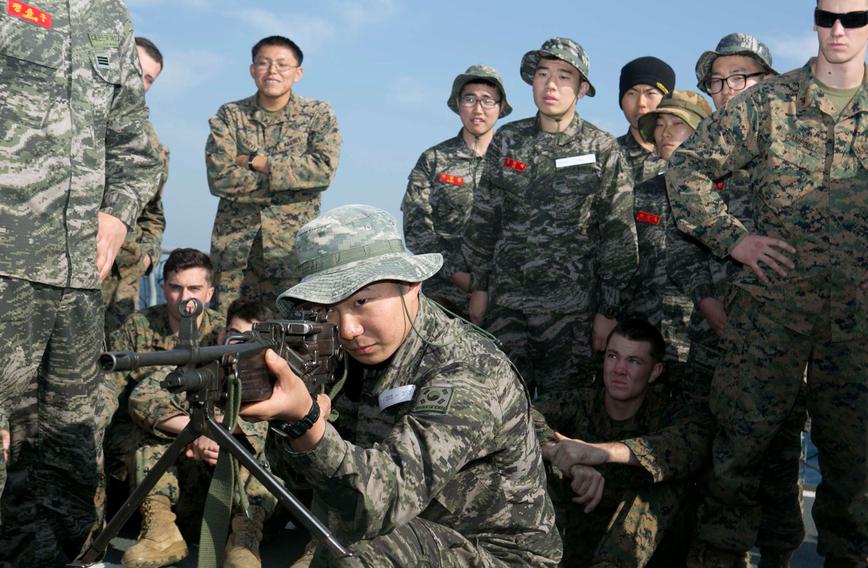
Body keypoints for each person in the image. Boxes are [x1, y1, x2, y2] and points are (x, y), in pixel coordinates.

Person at [665, 2, 868, 564]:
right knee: (736, 465)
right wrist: (733, 238)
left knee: (849, 479)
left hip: (853, 322)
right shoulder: (767, 103)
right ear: (816, 21)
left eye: (854, 16)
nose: (838, 29)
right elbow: (686, 168)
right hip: (768, 318)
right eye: (827, 17)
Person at [240, 204, 561, 566]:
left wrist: (306, 422)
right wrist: (286, 418)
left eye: (362, 302)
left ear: (410, 286)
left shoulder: (468, 371)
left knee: (358, 545)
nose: (348, 329)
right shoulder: (340, 354)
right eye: (328, 308)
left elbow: (380, 502)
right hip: (416, 533)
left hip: (496, 557)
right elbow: (296, 478)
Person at [0, 2, 161, 564]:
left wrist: (117, 216)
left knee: (67, 455)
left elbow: (136, 148)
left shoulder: (108, 17)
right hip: (6, 268)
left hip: (76, 283)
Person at [668, 33, 808, 567]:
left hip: (781, 334)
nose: (728, 90)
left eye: (741, 78)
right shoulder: (697, 157)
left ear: (767, 83)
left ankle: (778, 555)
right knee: (716, 459)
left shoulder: (794, 149)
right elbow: (674, 247)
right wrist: (711, 306)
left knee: (780, 459)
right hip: (713, 334)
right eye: (717, 82)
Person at [461, 37, 637, 400]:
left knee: (566, 411)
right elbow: (484, 218)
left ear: (582, 88)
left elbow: (618, 236)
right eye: (542, 74)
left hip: (571, 312)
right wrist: (480, 287)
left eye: (564, 76)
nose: (551, 85)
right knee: (501, 404)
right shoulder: (509, 140)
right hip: (508, 306)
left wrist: (608, 309)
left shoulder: (601, 148)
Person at [107, 250, 275, 568]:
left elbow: (261, 400)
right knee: (143, 440)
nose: (185, 298)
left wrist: (212, 431)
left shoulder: (227, 333)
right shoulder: (139, 327)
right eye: (175, 287)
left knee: (255, 448)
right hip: (157, 435)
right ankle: (160, 532)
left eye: (195, 289)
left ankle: (244, 542)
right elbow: (138, 397)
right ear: (165, 286)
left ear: (209, 293)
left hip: (217, 442)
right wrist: (199, 429)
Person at [537, 319, 695, 566]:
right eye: (613, 356)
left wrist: (601, 453)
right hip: (576, 532)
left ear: (655, 372)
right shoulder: (581, 402)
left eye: (634, 361)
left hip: (638, 549)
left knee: (664, 481)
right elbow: (519, 415)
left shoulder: (667, 412)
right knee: (541, 464)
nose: (619, 369)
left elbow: (687, 446)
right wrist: (563, 457)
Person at [205, 35, 341, 312]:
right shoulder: (230, 115)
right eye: (264, 63)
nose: (272, 71)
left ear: (298, 73)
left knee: (293, 337)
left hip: (291, 253)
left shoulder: (317, 114)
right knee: (227, 337)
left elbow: (322, 171)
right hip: (235, 254)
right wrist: (292, 182)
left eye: (282, 64)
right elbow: (220, 177)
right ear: (252, 69)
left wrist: (258, 162)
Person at [401, 64, 512, 319]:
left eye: (488, 100)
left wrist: (487, 285)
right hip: (444, 293)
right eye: (470, 99)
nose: (478, 109)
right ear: (458, 104)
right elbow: (417, 230)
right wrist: (459, 277)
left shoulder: (516, 161)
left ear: (501, 107)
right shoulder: (434, 159)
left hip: (506, 295)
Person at [622, 89, 711, 376]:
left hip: (698, 338)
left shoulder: (722, 193)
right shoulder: (643, 191)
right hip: (642, 334)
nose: (665, 133)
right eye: (659, 125)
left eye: (678, 124)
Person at [103, 36, 169, 335]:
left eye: (149, 79)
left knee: (104, 364)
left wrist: (148, 257)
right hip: (59, 269)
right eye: (136, 70)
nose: (139, 83)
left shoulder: (150, 144)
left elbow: (153, 213)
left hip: (123, 282)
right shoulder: (63, 117)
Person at [616, 56, 676, 186]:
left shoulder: (685, 155)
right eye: (632, 93)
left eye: (650, 93)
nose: (641, 103)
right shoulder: (607, 155)